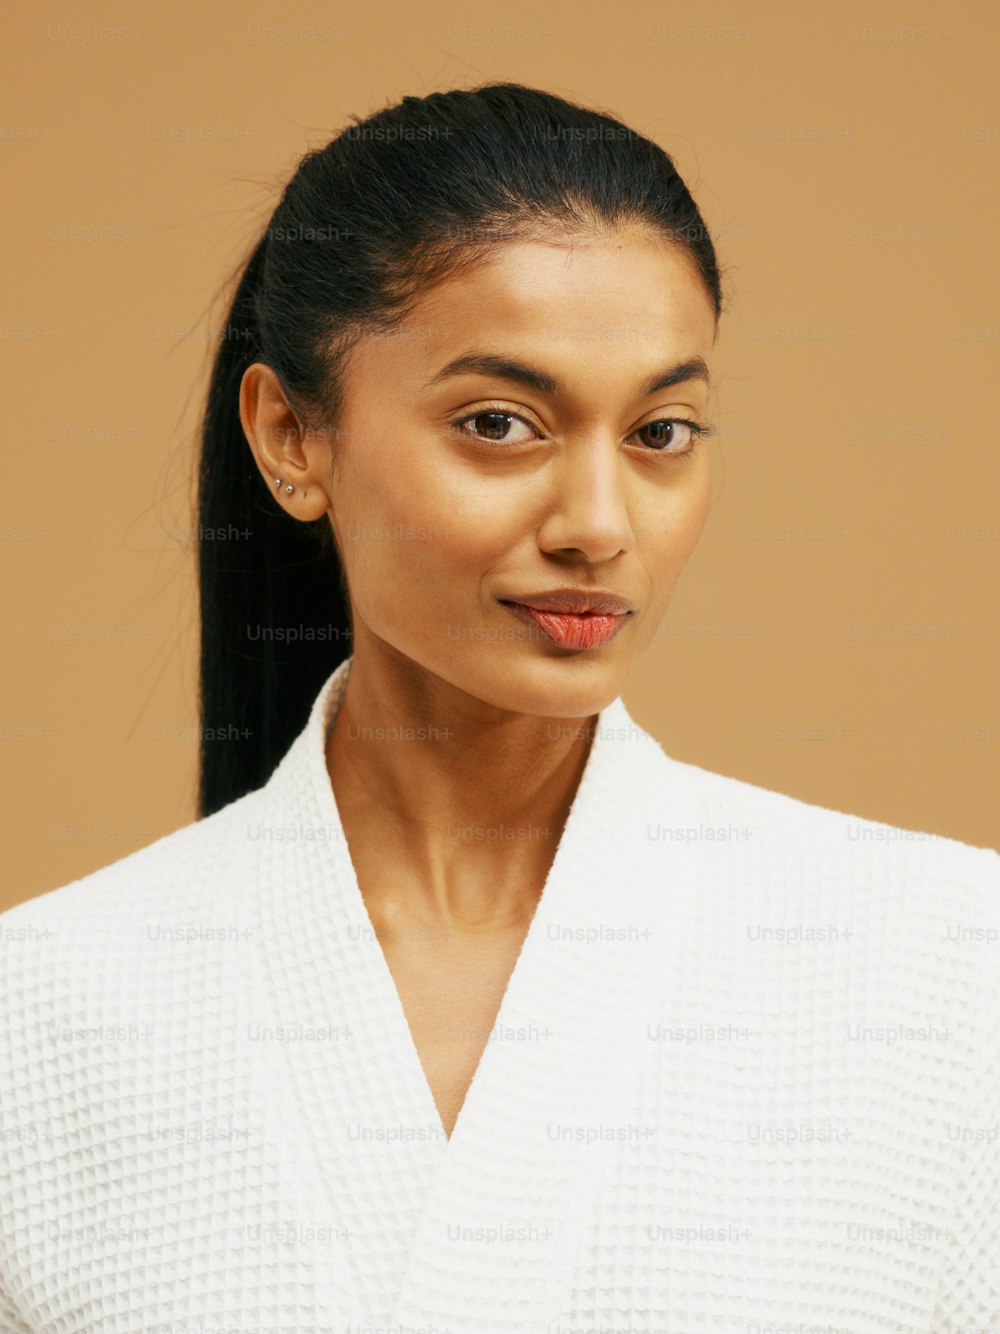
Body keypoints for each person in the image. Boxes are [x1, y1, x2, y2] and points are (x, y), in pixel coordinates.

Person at [1, 81, 997, 1334]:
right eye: (499, 423)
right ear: (291, 438)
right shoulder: (36, 1016)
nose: (597, 524)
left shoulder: (951, 966)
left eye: (662, 431)